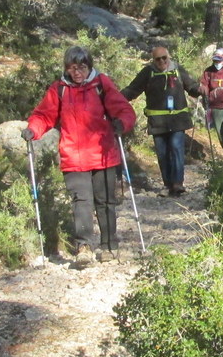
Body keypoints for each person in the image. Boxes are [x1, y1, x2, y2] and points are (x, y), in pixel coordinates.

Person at [21, 46, 137, 263]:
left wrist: (123, 123)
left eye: (81, 67)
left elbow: (123, 109)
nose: (77, 72)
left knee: (105, 201)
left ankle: (109, 246)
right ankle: (84, 248)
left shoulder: (101, 84)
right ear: (67, 68)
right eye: (72, 68)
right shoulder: (59, 89)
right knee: (81, 201)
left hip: (103, 153)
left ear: (89, 67)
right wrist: (33, 130)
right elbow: (44, 115)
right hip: (73, 155)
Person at [120, 45, 202, 197]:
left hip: (177, 120)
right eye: (158, 59)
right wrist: (116, 98)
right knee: (162, 153)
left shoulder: (177, 69)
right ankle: (167, 183)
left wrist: (199, 89)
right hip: (157, 122)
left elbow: (190, 86)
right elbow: (133, 89)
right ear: (153, 60)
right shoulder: (148, 72)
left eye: (164, 58)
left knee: (177, 148)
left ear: (168, 57)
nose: (162, 61)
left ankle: (177, 183)